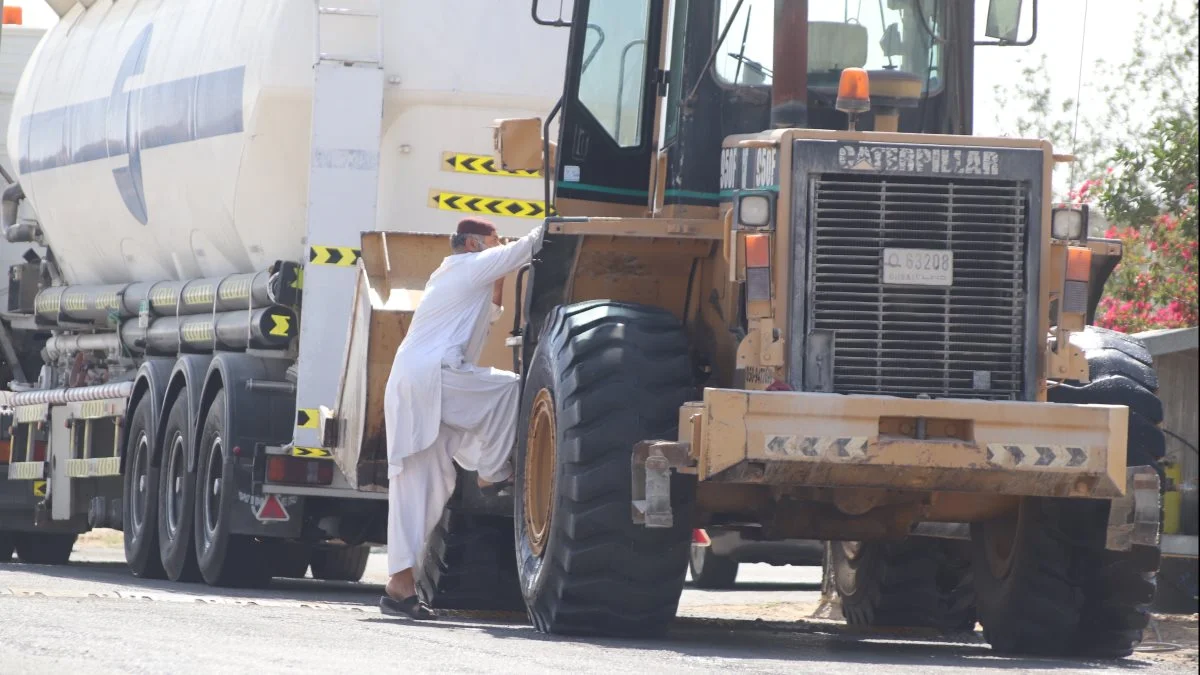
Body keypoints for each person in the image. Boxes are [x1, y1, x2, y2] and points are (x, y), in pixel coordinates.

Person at [380, 216, 543, 620]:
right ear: (473, 245)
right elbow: (528, 247)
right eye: (492, 241)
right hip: (432, 377)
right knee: (509, 389)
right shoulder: (469, 267)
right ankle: (489, 469)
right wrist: (556, 213)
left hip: (413, 382)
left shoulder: (452, 275)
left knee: (423, 489)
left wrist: (499, 276)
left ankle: (399, 588)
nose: (497, 246)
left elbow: (490, 312)